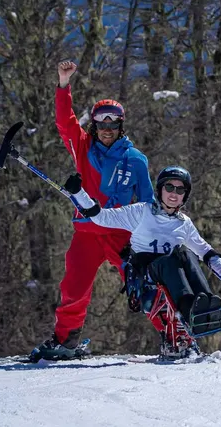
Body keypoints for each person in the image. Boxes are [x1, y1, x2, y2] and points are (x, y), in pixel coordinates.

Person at [32, 60, 155, 361]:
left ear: (120, 125)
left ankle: (173, 333)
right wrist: (63, 83)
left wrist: (150, 237)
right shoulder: (83, 147)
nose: (107, 129)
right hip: (86, 234)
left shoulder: (135, 159)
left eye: (113, 123)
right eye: (102, 122)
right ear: (95, 125)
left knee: (143, 282)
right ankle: (66, 341)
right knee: (72, 288)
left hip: (120, 234)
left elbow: (149, 202)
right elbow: (65, 122)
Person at [66, 166, 221, 358]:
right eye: (169, 187)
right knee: (169, 260)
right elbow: (101, 217)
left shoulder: (184, 223)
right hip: (145, 275)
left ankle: (205, 304)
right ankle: (188, 308)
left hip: (170, 271)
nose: (174, 194)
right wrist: (79, 193)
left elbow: (205, 251)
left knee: (186, 254)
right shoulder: (142, 212)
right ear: (160, 190)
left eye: (180, 190)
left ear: (185, 195)